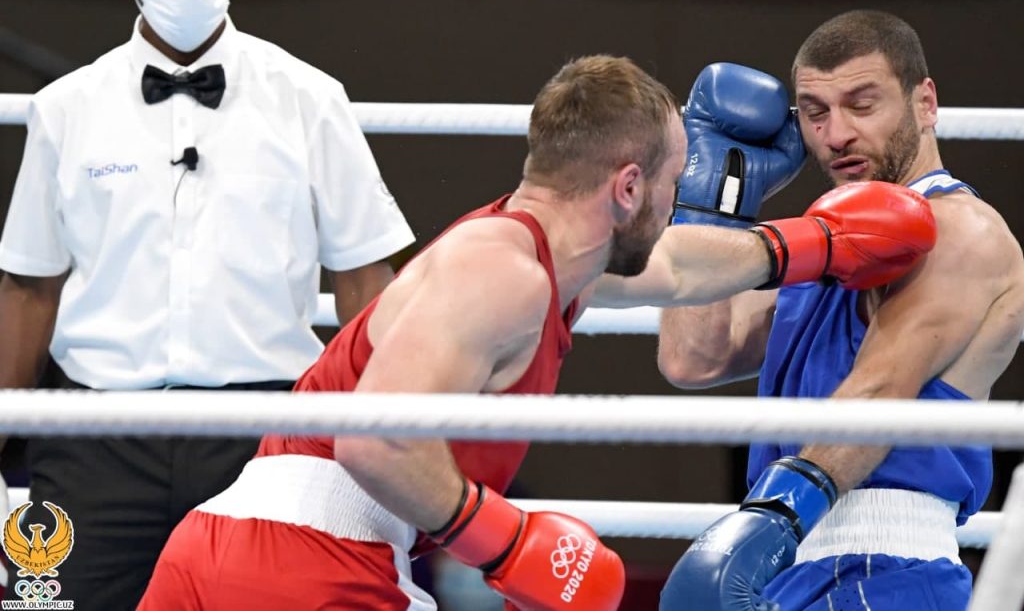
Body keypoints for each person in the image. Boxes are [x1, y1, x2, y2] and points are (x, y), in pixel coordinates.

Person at [135, 52, 937, 611]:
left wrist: (815, 244)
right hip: (312, 561)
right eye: (672, 184)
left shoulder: (548, 258)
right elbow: (373, 442)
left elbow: (680, 267)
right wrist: (508, 544)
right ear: (629, 187)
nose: (675, 206)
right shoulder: (503, 275)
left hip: (237, 547)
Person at [0, 0, 415, 608]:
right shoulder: (65, 108)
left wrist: (382, 434)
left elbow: (364, 280)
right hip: (95, 439)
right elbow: (28, 289)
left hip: (264, 434)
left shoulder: (309, 98)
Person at [658, 10, 1024, 611]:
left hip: (889, 563)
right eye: (815, 112)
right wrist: (719, 195)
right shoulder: (831, 246)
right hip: (796, 558)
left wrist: (768, 522)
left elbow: (878, 392)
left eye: (862, 104)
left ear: (925, 102)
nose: (836, 134)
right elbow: (694, 357)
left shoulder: (962, 229)